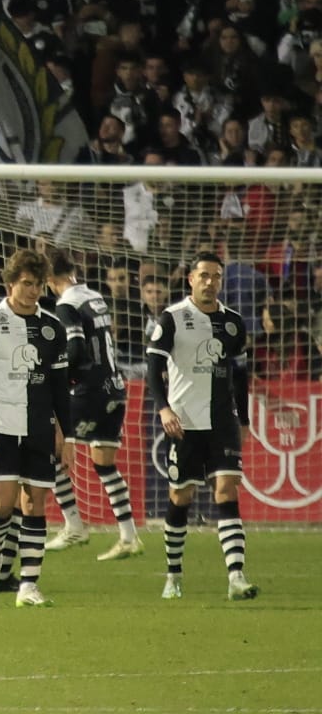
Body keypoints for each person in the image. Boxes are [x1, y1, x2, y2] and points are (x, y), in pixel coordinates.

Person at [150, 251, 257, 601]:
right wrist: (164, 409)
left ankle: (236, 576)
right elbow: (153, 367)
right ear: (191, 280)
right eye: (204, 276)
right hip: (185, 421)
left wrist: (243, 419)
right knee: (181, 496)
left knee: (227, 490)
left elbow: (240, 375)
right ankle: (173, 574)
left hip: (222, 421)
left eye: (216, 276)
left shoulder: (233, 322)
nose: (210, 282)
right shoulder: (173, 318)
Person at [0, 248, 68, 607]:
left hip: (39, 427)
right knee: (2, 503)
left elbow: (59, 385)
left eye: (38, 284)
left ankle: (28, 585)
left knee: (34, 503)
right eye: (26, 284)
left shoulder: (53, 327)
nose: (33, 291)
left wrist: (63, 431)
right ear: (11, 284)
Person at [42, 247, 142, 561]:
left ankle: (74, 525)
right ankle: (128, 537)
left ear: (48, 278)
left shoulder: (66, 305)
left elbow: (76, 350)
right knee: (103, 462)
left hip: (90, 392)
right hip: (115, 388)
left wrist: (56, 377)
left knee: (50, 450)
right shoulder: (93, 296)